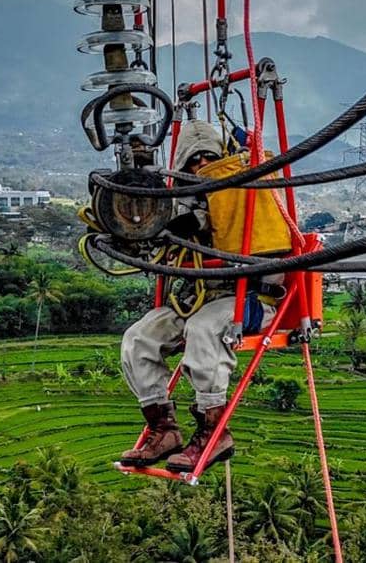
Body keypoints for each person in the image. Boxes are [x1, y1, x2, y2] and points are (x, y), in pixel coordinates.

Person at [117, 119, 280, 473]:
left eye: (207, 158)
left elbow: (267, 251)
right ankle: (163, 429)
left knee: (204, 330)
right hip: (197, 299)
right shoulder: (183, 202)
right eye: (192, 162)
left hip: (250, 301)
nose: (200, 167)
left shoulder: (250, 196)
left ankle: (213, 432)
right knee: (139, 337)